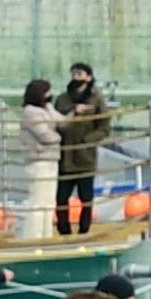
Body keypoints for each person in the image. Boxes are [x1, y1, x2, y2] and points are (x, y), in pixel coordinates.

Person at [53, 67, 113, 236]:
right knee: (61, 197)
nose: (76, 77)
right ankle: (63, 230)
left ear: (89, 77)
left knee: (86, 197)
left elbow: (104, 128)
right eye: (73, 74)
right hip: (64, 156)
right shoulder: (62, 99)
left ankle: (84, 229)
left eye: (79, 74)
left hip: (85, 156)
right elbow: (55, 121)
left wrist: (88, 141)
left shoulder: (96, 100)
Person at [17, 77, 63, 225]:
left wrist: (74, 113)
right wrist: (59, 137)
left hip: (51, 158)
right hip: (38, 160)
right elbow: (45, 135)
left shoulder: (46, 109)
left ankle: (46, 234)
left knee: (49, 201)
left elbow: (62, 121)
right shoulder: (30, 112)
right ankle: (34, 235)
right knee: (38, 201)